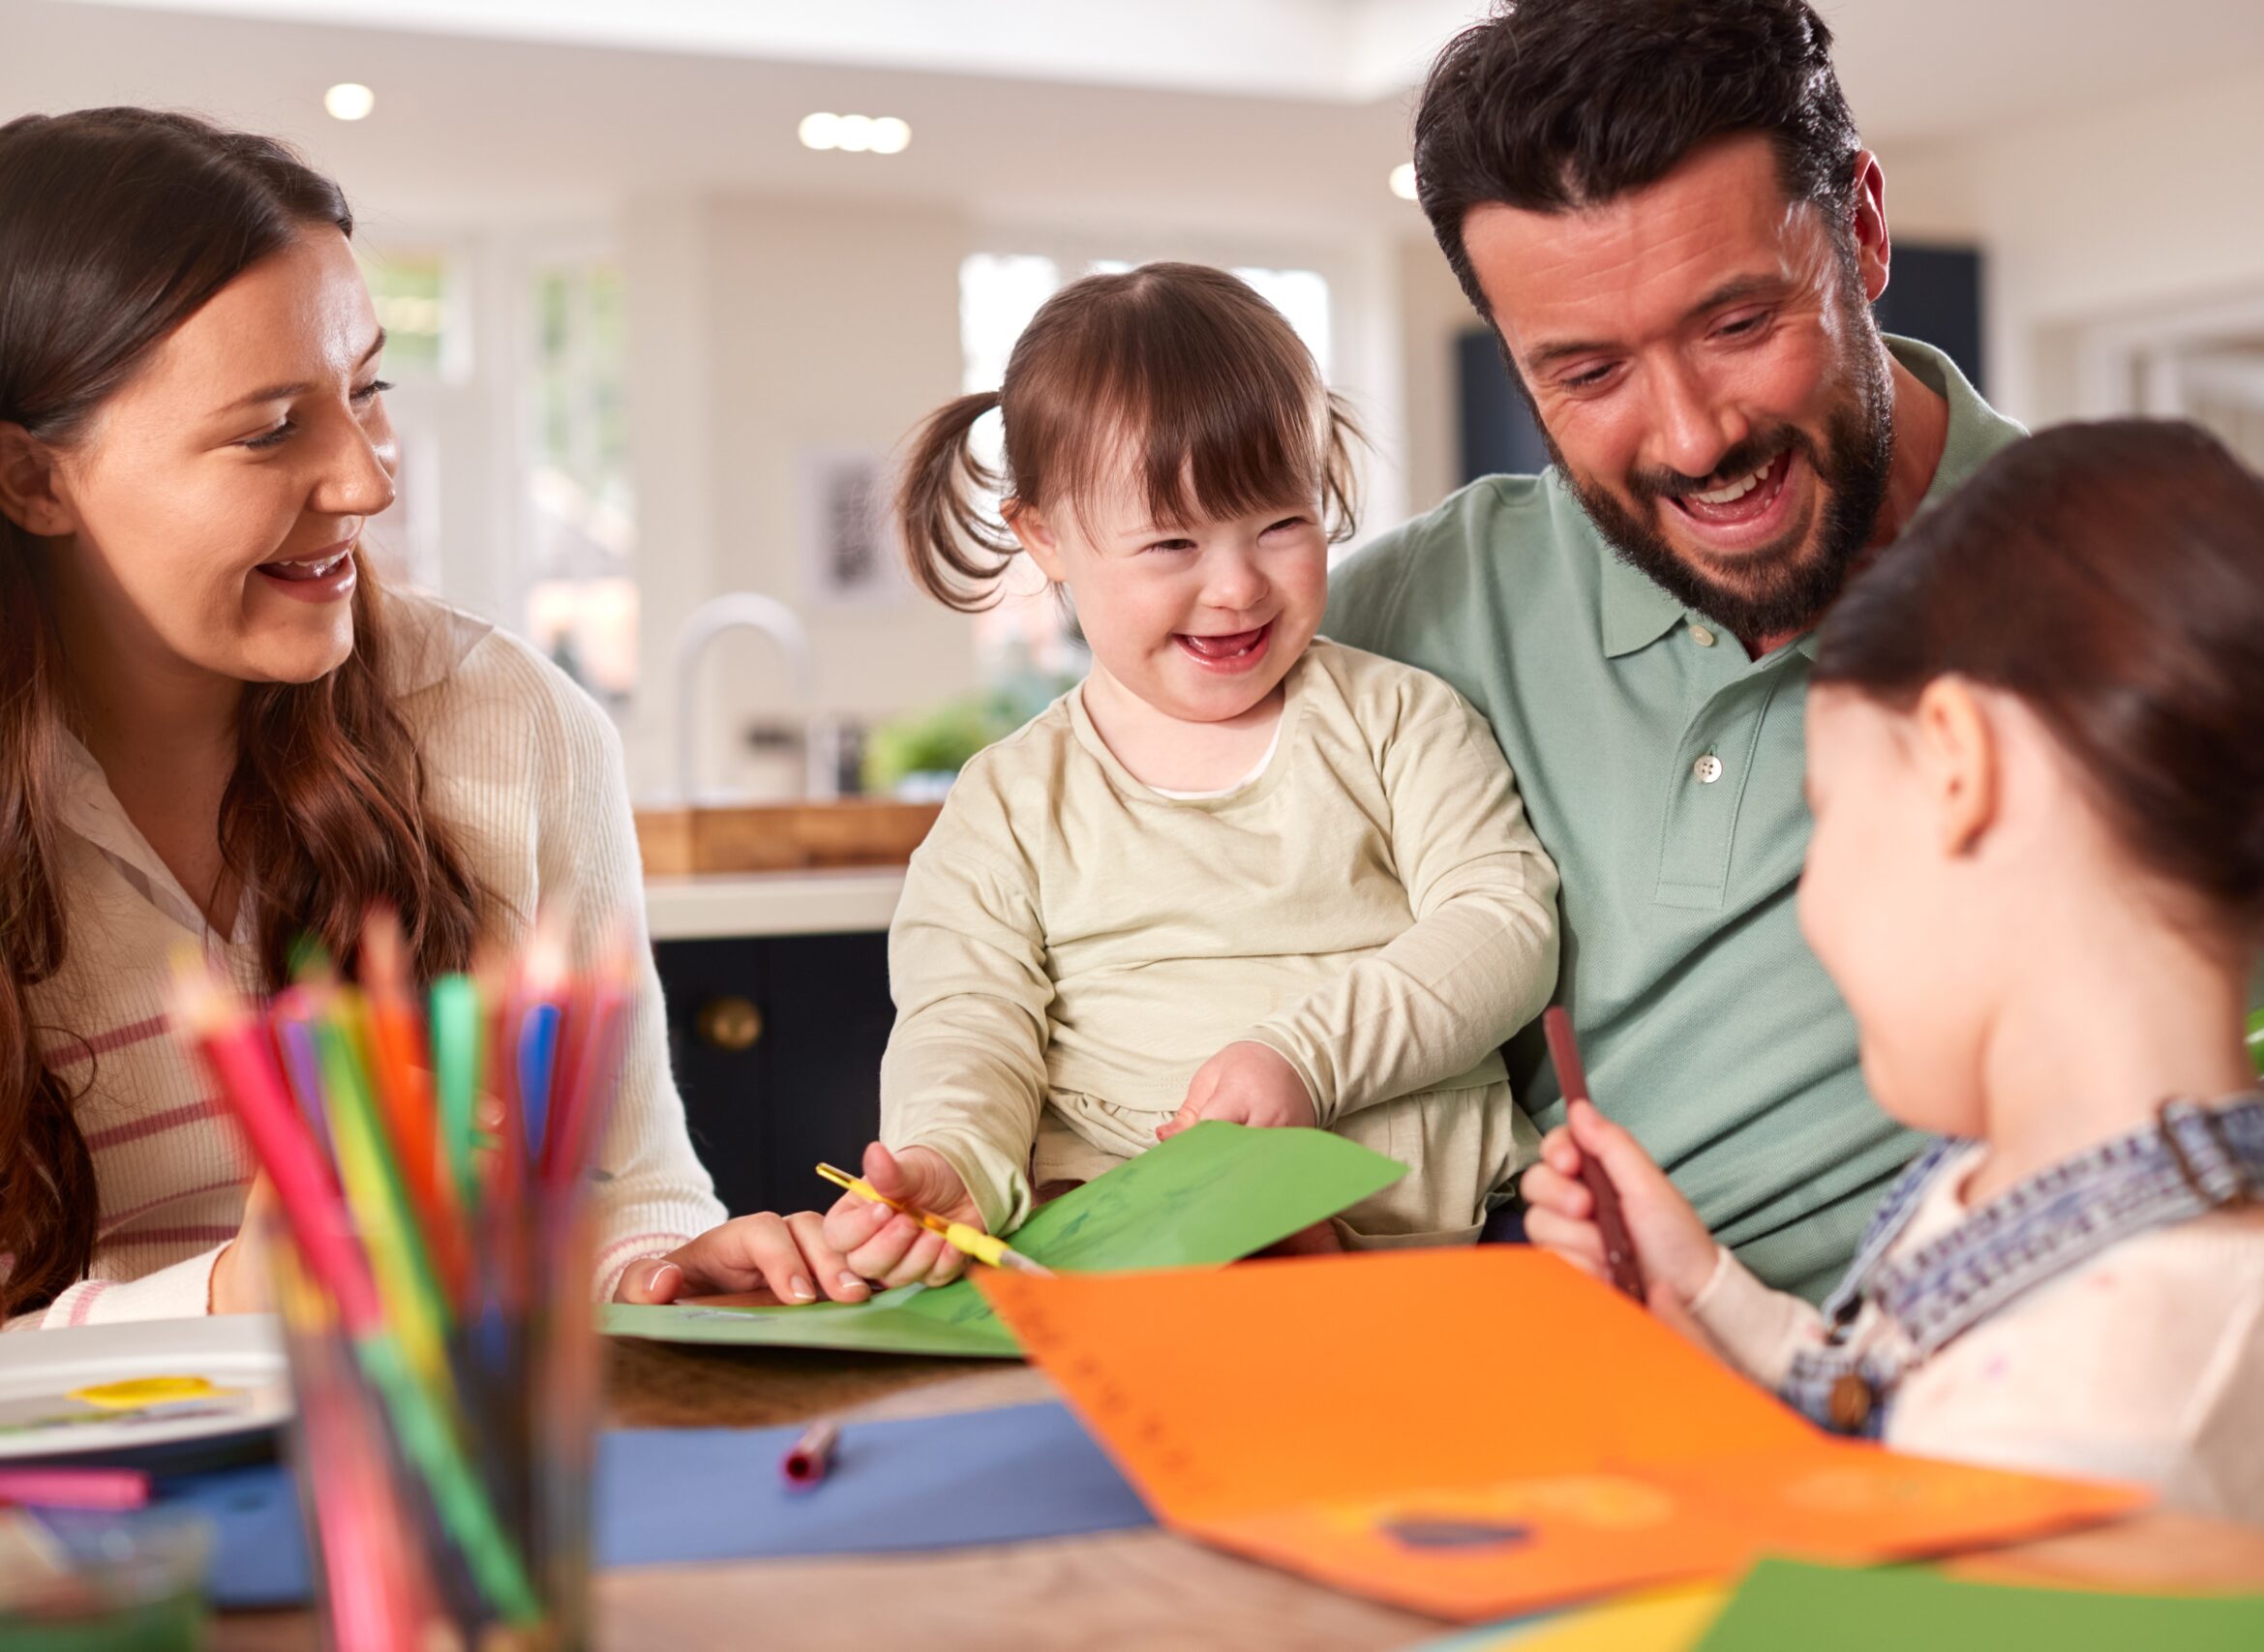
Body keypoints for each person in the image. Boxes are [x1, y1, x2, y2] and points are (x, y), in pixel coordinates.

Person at [1323, 0, 2264, 1298]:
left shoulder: (2142, 586)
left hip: (1945, 1429)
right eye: (1588, 375)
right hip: (1467, 1393)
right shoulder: (1415, 611)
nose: (1694, 435)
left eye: (1738, 324)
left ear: (1862, 230)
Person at [1526, 422, 2264, 1549]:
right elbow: (1885, 1419)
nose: (1811, 904)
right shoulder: (2039, 1178)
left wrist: (1680, 1436)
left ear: (1958, 766)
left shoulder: (2117, 1388)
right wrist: (1702, 1295)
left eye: (1828, 816)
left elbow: (1891, 1578)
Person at [0, 107, 797, 1326]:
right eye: (271, 430)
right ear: (33, 479)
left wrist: (660, 1270)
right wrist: (234, 1294)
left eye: (365, 391)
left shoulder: (509, 720)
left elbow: (631, 1184)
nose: (369, 479)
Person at [782, 263, 1558, 1299]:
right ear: (1046, 538)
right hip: (1136, 1255)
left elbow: (1504, 924)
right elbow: (967, 1018)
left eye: (1279, 524)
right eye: (1172, 543)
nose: (1235, 586)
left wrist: (1306, 1059)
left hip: (1430, 1247)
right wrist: (952, 1155)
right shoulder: (1008, 803)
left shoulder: (1400, 720)